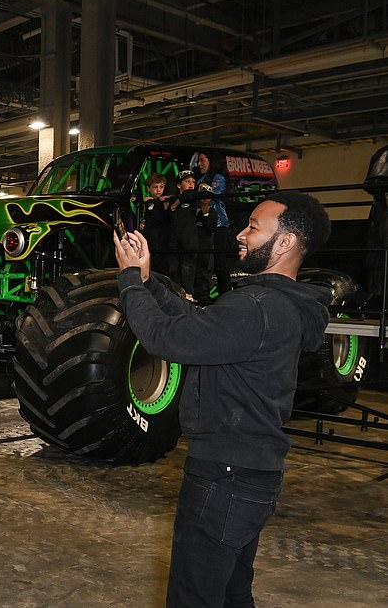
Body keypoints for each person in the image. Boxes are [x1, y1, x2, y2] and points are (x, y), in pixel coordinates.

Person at [112, 191, 331, 607]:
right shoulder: (276, 305)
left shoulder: (257, 306)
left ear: (284, 242)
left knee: (193, 597)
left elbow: (165, 338)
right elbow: (199, 324)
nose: (241, 235)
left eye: (253, 227)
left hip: (225, 477)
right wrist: (147, 281)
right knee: (230, 594)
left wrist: (127, 281)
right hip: (252, 474)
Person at [196, 151, 233, 298]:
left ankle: (227, 294)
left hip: (218, 225)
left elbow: (213, 194)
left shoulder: (218, 178)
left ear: (211, 161)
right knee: (205, 261)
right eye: (199, 161)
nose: (199, 164)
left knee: (219, 262)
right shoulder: (203, 178)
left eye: (202, 160)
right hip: (204, 223)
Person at [168, 170, 200, 299]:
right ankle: (175, 294)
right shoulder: (171, 199)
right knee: (173, 268)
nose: (191, 184)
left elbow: (189, 194)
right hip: (174, 240)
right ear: (178, 185)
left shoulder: (192, 197)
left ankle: (188, 294)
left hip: (189, 239)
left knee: (188, 267)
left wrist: (176, 204)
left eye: (193, 181)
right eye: (187, 181)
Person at [140, 172, 172, 275]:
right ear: (148, 188)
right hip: (149, 238)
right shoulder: (146, 203)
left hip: (162, 239)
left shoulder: (165, 201)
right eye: (155, 187)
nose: (158, 190)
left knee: (161, 267)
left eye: (161, 187)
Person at [193, 182, 217, 304]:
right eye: (202, 197)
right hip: (193, 246)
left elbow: (211, 228)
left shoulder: (212, 212)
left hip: (206, 247)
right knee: (194, 272)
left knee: (205, 273)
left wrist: (206, 214)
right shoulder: (193, 211)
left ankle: (204, 297)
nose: (204, 200)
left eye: (207, 197)